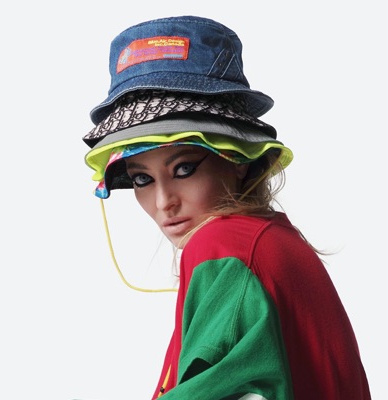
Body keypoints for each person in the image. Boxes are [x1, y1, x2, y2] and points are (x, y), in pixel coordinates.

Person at [83, 16, 371, 399]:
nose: (163, 201)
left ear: (236, 158)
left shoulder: (223, 246)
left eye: (184, 169)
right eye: (141, 179)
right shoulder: (272, 241)